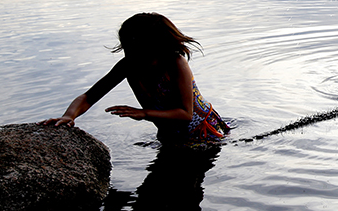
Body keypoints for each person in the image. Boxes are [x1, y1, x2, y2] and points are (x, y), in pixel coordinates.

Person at [40, 13, 229, 145]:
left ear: (155, 47)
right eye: (127, 49)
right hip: (168, 132)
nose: (131, 55)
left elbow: (185, 113)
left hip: (202, 132)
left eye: (137, 50)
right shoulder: (128, 65)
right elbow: (89, 97)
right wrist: (69, 115)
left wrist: (144, 113)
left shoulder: (175, 63)